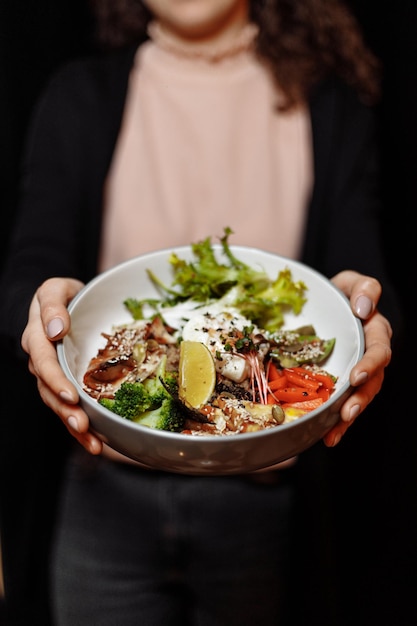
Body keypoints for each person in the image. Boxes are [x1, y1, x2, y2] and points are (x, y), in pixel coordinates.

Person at [0, 0, 398, 624]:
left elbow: (361, 265)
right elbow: (33, 256)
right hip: (102, 491)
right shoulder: (80, 93)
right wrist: (40, 301)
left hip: (265, 501)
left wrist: (363, 307)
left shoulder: (329, 103)